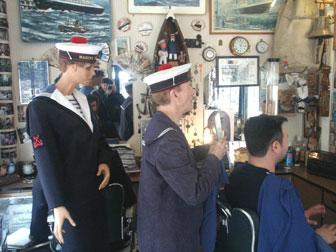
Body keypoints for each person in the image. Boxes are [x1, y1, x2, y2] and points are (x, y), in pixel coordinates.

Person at [27, 36, 111, 251]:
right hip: (68, 200)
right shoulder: (42, 106)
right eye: (89, 67)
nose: (94, 72)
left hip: (93, 195)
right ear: (71, 66)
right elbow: (44, 159)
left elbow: (97, 136)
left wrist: (103, 160)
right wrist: (57, 204)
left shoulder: (83, 99)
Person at [137, 64, 228, 252]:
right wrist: (213, 158)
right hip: (169, 240)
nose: (194, 91)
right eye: (189, 86)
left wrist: (206, 150)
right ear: (175, 94)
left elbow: (177, 165)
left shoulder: (162, 126)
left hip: (164, 233)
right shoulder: (167, 138)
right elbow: (194, 193)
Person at [225, 114, 336, 251]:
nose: (288, 142)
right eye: (286, 137)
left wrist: (297, 218)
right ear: (275, 146)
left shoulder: (234, 176)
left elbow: (265, 222)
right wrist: (317, 236)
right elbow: (294, 245)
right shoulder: (279, 190)